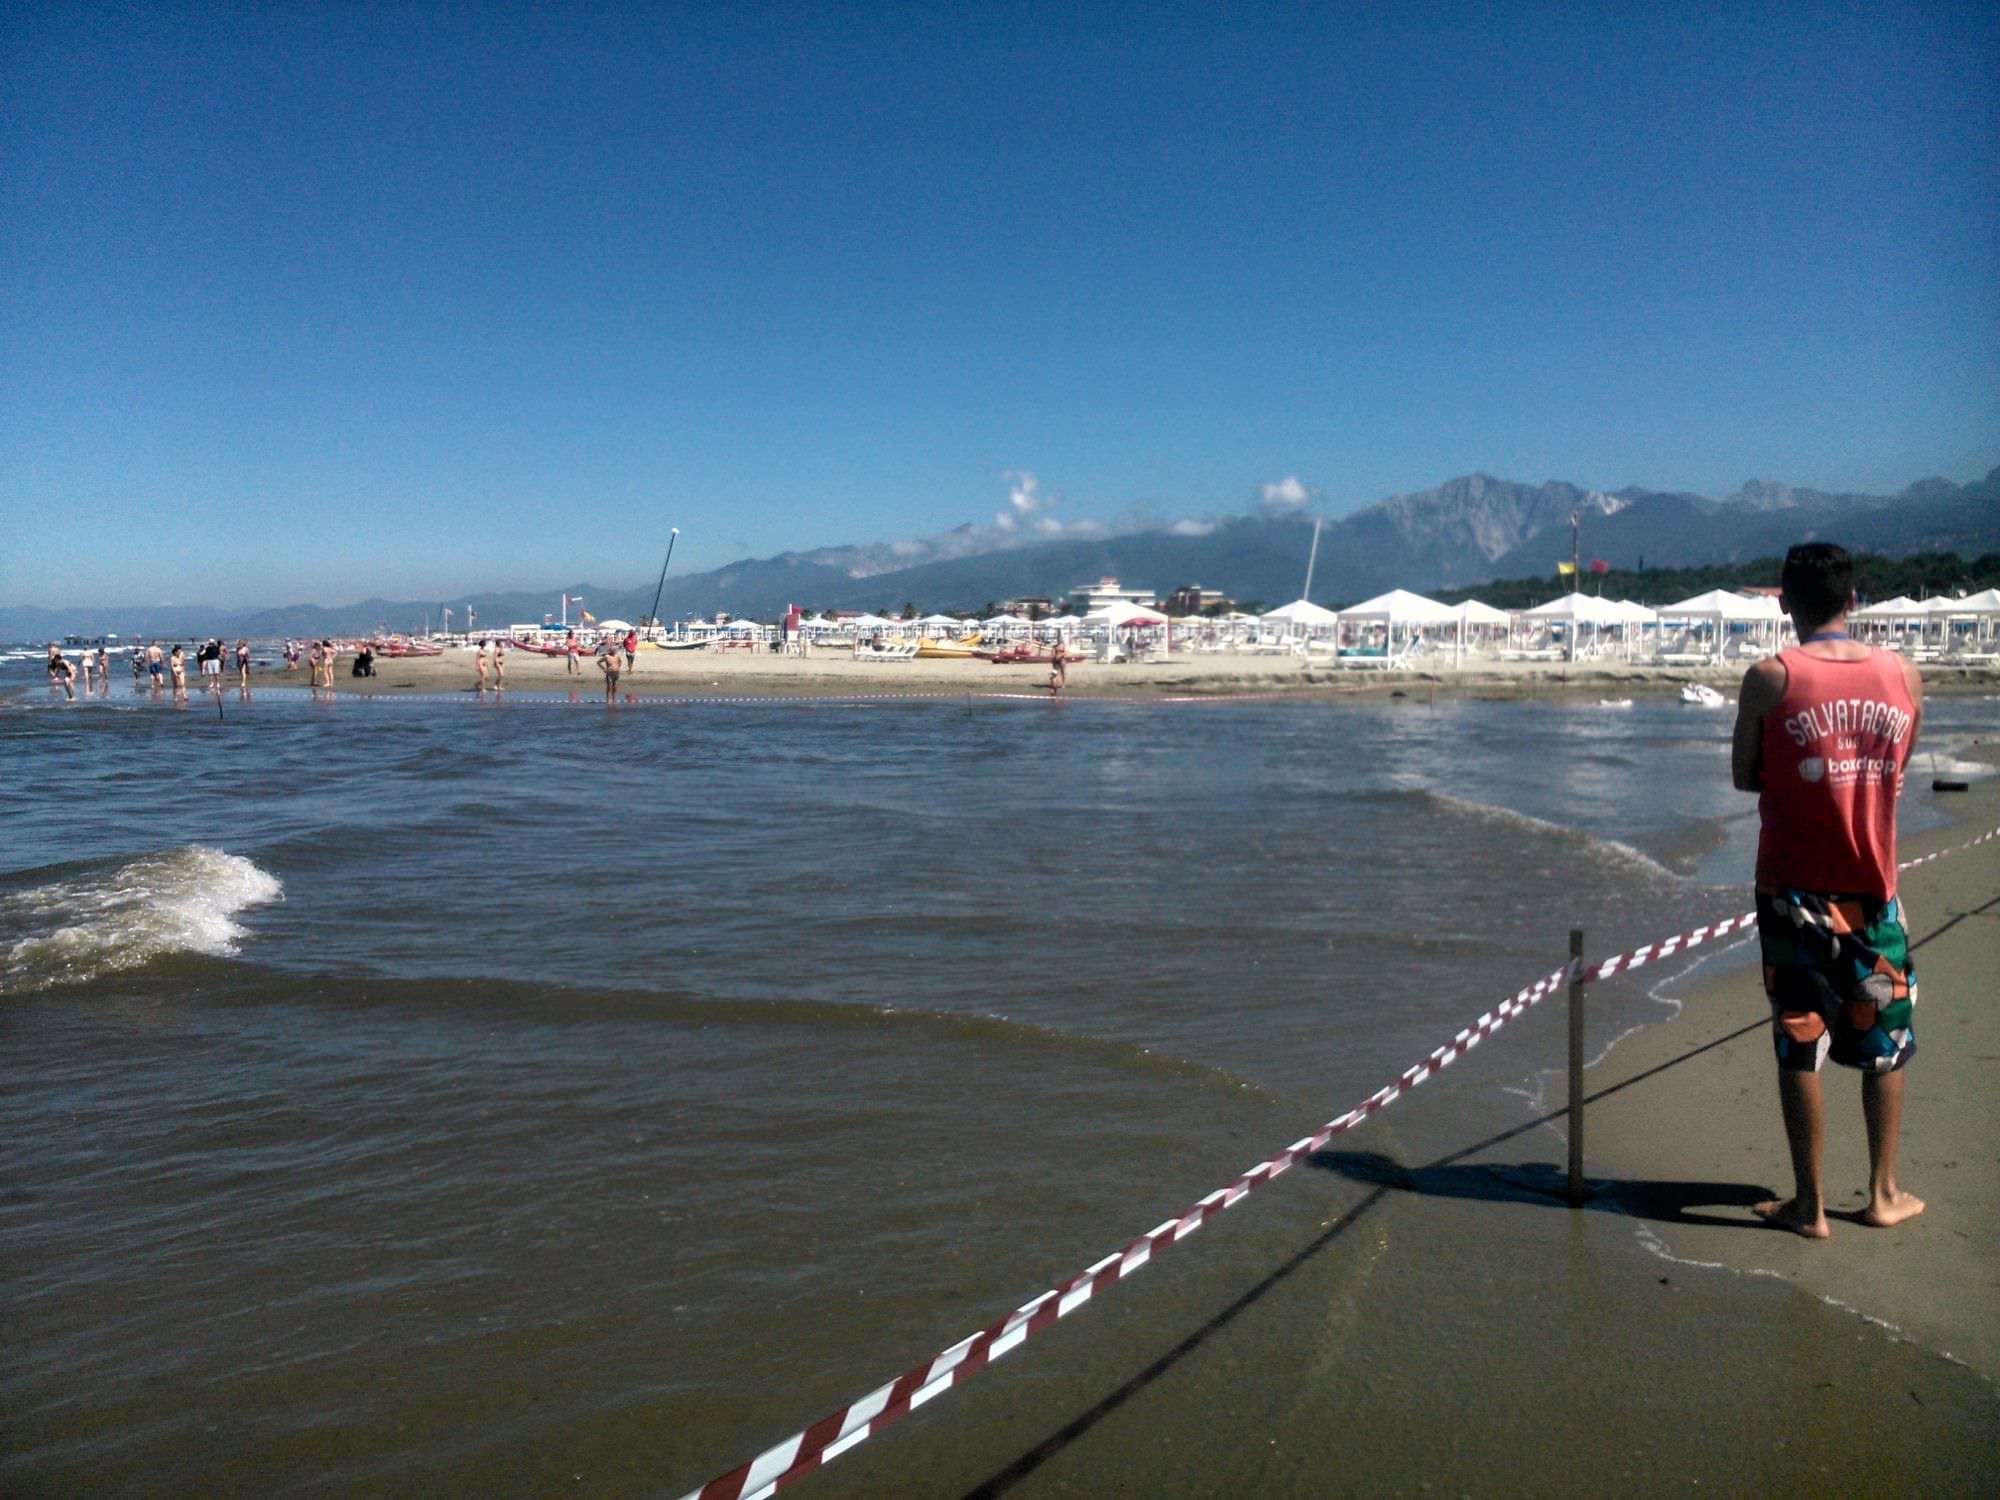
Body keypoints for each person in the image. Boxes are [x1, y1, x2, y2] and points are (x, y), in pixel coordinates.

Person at [1731, 542, 1925, 1239]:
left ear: (1783, 601)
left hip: (1792, 894)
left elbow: (1745, 775)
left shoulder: (1769, 676)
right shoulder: (1904, 674)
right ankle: (1882, 1192)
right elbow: (1895, 764)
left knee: (1799, 1037)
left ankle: (1809, 1206)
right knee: (1885, 1035)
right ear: (1853, 599)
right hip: (1874, 892)